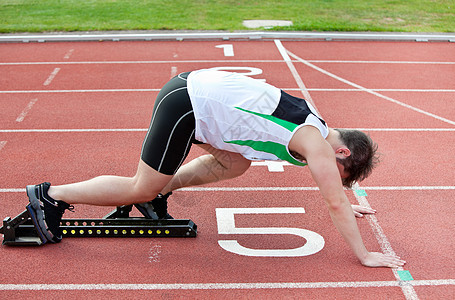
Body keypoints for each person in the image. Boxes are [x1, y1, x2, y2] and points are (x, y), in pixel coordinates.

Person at [26, 69, 405, 268]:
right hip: (188, 105)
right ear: (340, 152)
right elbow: (332, 202)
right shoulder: (316, 143)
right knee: (140, 187)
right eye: (338, 174)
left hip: (196, 95)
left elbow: (332, 193)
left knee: (235, 163)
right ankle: (51, 196)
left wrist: (340, 194)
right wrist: (364, 254)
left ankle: (162, 191)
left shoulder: (315, 129)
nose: (326, 175)